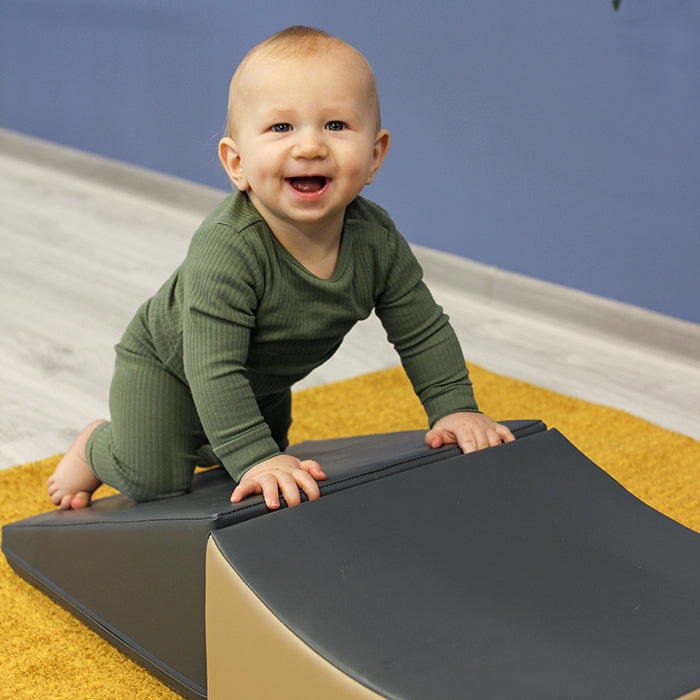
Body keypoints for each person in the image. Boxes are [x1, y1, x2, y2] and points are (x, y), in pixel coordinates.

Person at [47, 26, 515, 512]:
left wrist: (454, 408)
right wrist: (255, 458)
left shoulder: (376, 240)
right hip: (171, 368)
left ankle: (222, 442)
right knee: (158, 478)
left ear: (375, 155)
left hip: (261, 380)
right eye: (281, 128)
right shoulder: (227, 247)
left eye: (335, 125)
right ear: (237, 163)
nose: (310, 146)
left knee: (262, 475)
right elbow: (212, 366)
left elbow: (422, 330)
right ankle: (95, 446)